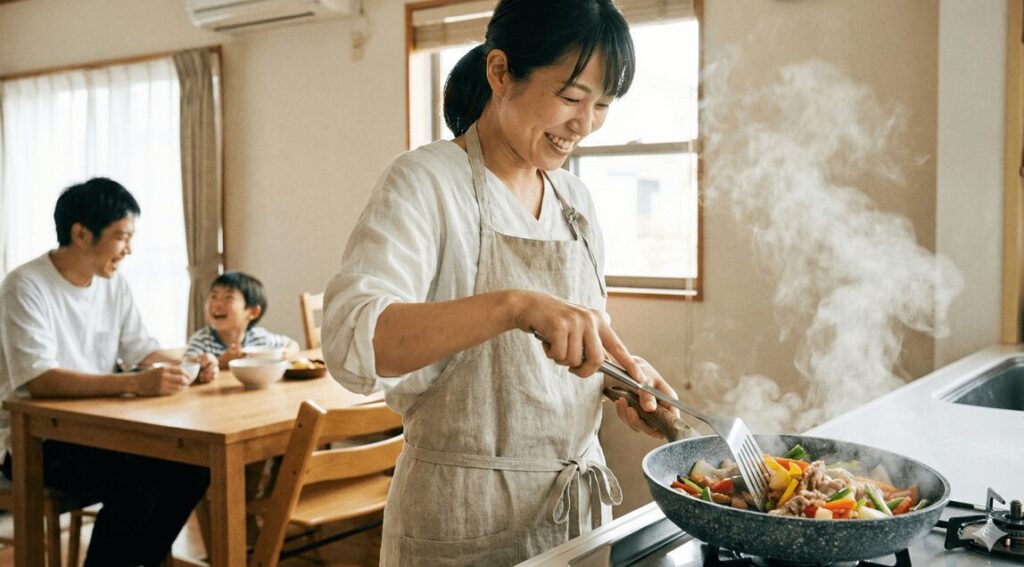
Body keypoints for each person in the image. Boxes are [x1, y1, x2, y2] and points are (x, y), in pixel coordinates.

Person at [321, 1, 679, 564]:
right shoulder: (427, 181)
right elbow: (356, 343)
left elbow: (566, 346)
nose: (584, 125)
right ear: (500, 72)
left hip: (573, 523)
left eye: (603, 105)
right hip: (462, 517)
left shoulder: (575, 202)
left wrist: (619, 380)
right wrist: (515, 305)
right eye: (570, 98)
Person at [0, 177, 218, 567]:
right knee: (142, 479)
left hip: (100, 433)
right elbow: (39, 379)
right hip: (35, 443)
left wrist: (185, 364)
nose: (129, 249)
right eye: (121, 236)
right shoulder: (25, 285)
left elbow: (140, 349)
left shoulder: (112, 285)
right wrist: (137, 382)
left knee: (193, 466)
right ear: (81, 233)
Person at [184, 271, 299, 369]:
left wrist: (286, 354)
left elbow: (292, 344)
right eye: (213, 296)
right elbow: (186, 365)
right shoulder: (202, 340)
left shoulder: (258, 337)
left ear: (252, 312)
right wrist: (220, 362)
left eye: (228, 297)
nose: (217, 304)